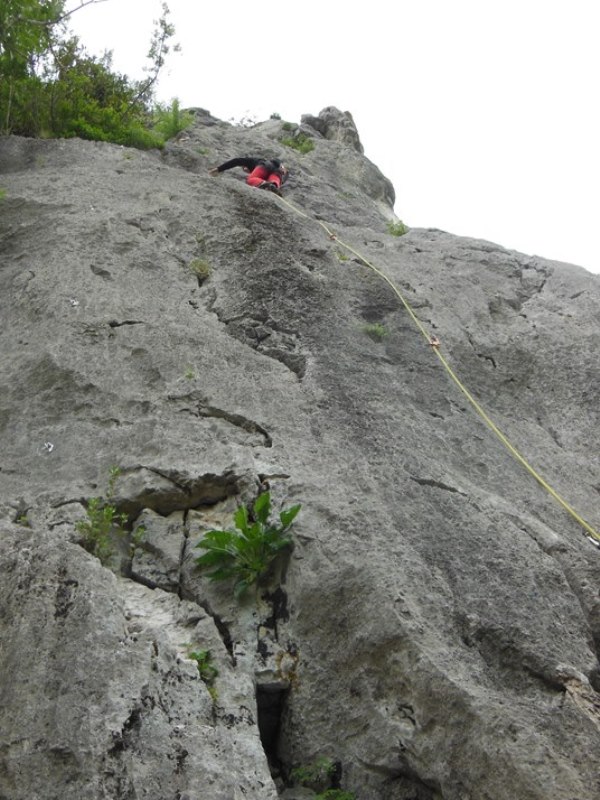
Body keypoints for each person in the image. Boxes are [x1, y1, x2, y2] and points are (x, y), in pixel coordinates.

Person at [209, 157, 288, 193]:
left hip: (264, 166)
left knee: (251, 179)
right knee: (274, 180)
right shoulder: (279, 167)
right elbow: (283, 170)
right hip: (277, 172)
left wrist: (218, 169)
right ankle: (274, 185)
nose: (245, 170)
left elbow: (236, 161)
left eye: (244, 168)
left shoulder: (252, 161)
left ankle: (265, 184)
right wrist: (281, 167)